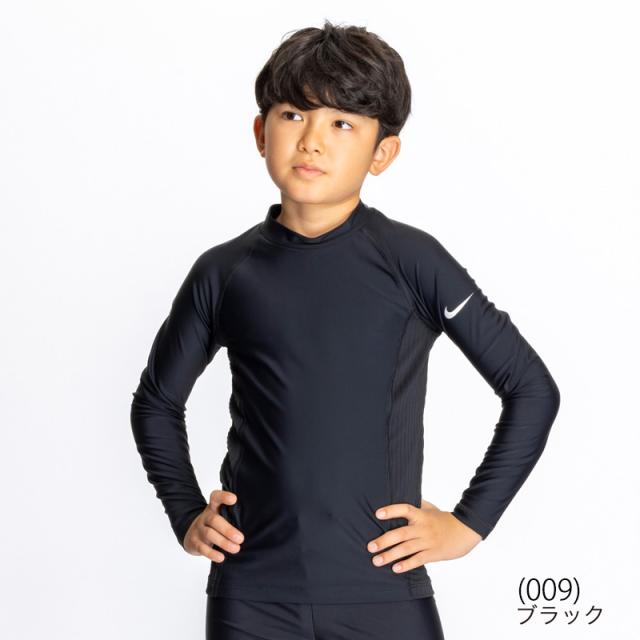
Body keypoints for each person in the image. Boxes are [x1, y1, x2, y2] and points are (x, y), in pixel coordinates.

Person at [130, 20, 561, 640]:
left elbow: (530, 388)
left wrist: (468, 524)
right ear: (260, 132)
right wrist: (185, 511)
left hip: (382, 589)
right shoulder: (224, 272)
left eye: (342, 123)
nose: (312, 141)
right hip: (251, 595)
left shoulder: (413, 261)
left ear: (382, 152)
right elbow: (156, 402)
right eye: (292, 115)